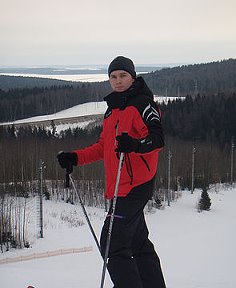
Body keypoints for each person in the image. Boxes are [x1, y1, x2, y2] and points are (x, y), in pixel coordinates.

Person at [57, 56, 166, 288]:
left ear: (132, 77)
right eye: (113, 77)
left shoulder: (143, 104)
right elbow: (103, 148)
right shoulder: (112, 110)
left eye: (123, 76)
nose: (117, 81)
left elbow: (157, 138)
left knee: (111, 242)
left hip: (136, 184)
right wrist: (75, 157)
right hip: (120, 186)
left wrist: (135, 145)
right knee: (138, 244)